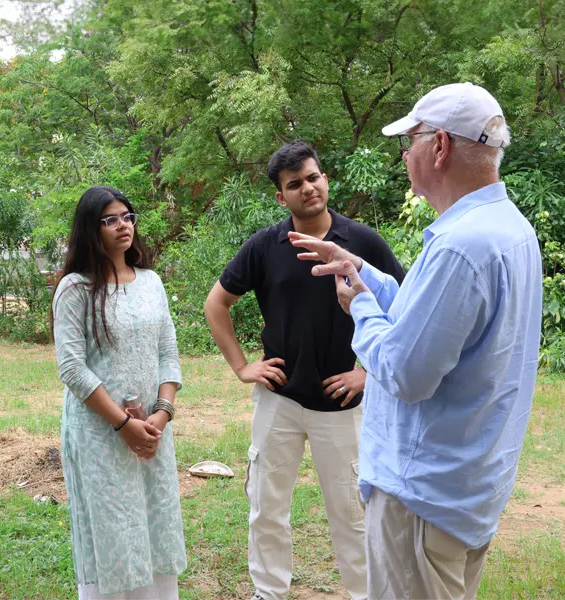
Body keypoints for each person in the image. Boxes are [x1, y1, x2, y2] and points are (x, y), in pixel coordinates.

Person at [291, 83, 542, 599]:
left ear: (441, 147)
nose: (406, 154)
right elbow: (434, 319)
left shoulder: (459, 245)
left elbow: (406, 371)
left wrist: (358, 302)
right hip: (467, 486)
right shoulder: (508, 228)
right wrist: (365, 273)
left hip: (423, 495)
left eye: (411, 140)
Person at [204, 141, 405, 600]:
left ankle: (364, 594)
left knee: (353, 513)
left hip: (343, 405)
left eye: (313, 177)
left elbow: (407, 312)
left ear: (325, 178)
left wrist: (368, 373)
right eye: (294, 184)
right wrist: (241, 367)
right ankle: (269, 592)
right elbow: (216, 303)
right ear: (282, 196)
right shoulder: (265, 246)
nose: (307, 188)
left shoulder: (363, 243)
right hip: (279, 401)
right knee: (266, 508)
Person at [52, 186, 186, 600]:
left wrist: (159, 415)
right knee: (112, 529)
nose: (122, 226)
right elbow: (72, 368)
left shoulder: (151, 282)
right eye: (109, 220)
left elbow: (168, 351)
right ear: (90, 230)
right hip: (100, 435)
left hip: (152, 431)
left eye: (126, 217)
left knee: (154, 520)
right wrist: (123, 423)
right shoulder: (75, 289)